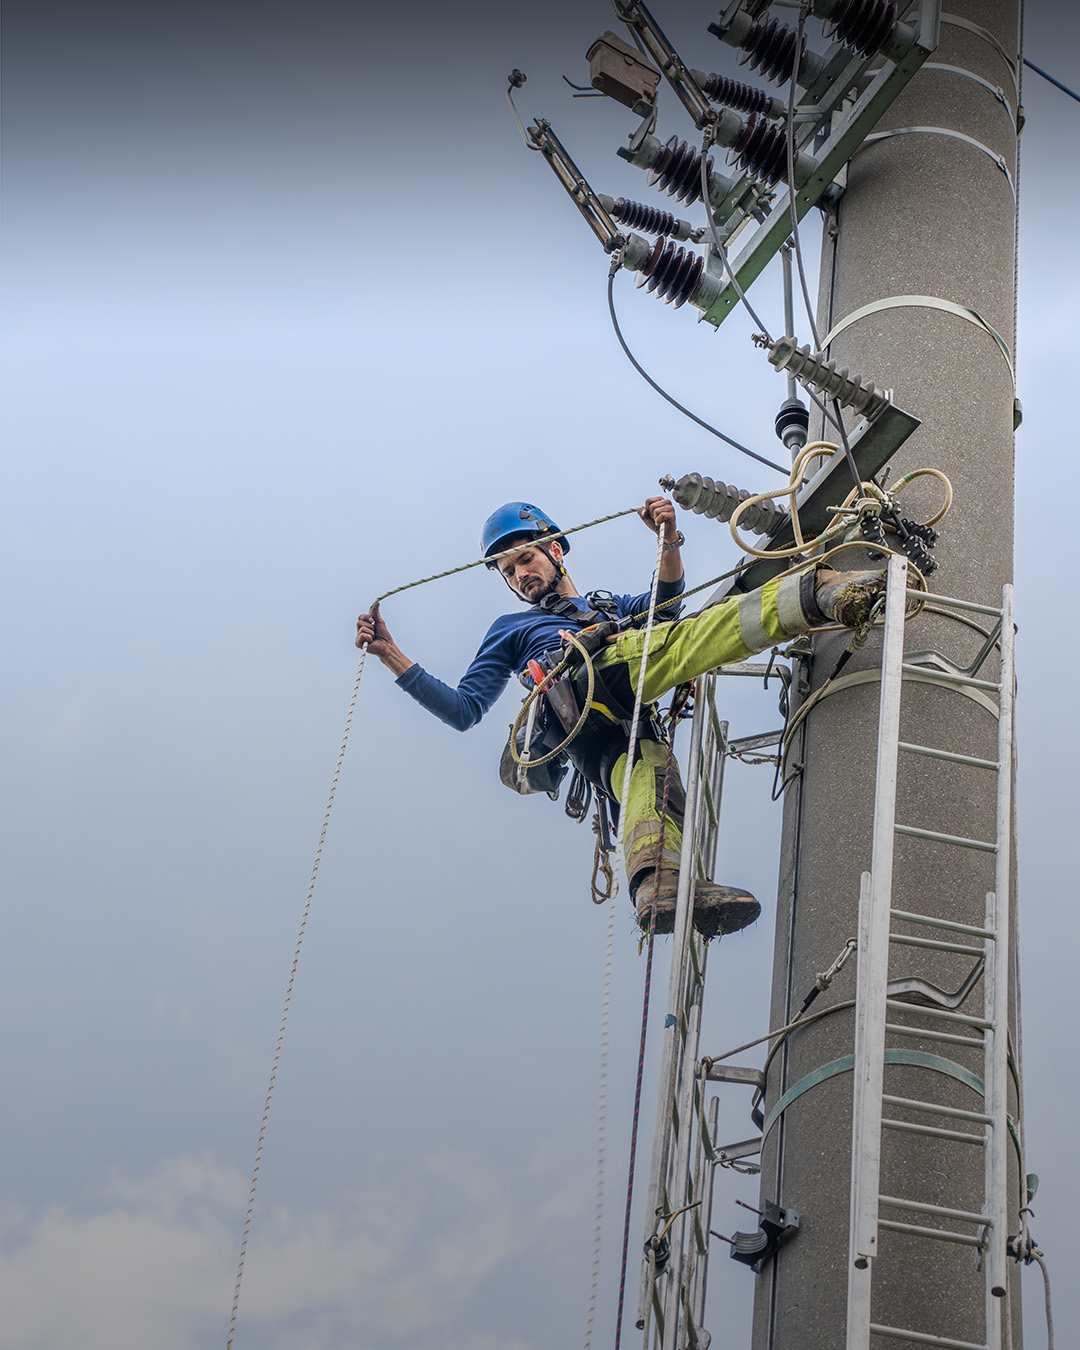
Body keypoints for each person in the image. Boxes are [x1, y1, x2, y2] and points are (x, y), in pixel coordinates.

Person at [356, 498, 885, 938]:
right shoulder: (511, 628)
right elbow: (463, 710)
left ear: (555, 550)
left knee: (651, 782)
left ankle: (656, 883)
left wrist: (669, 536)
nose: (519, 575)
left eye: (524, 559)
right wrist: (390, 654)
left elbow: (666, 601)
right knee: (694, 638)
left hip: (618, 734)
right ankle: (816, 593)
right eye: (508, 570)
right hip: (585, 686)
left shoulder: (609, 606)